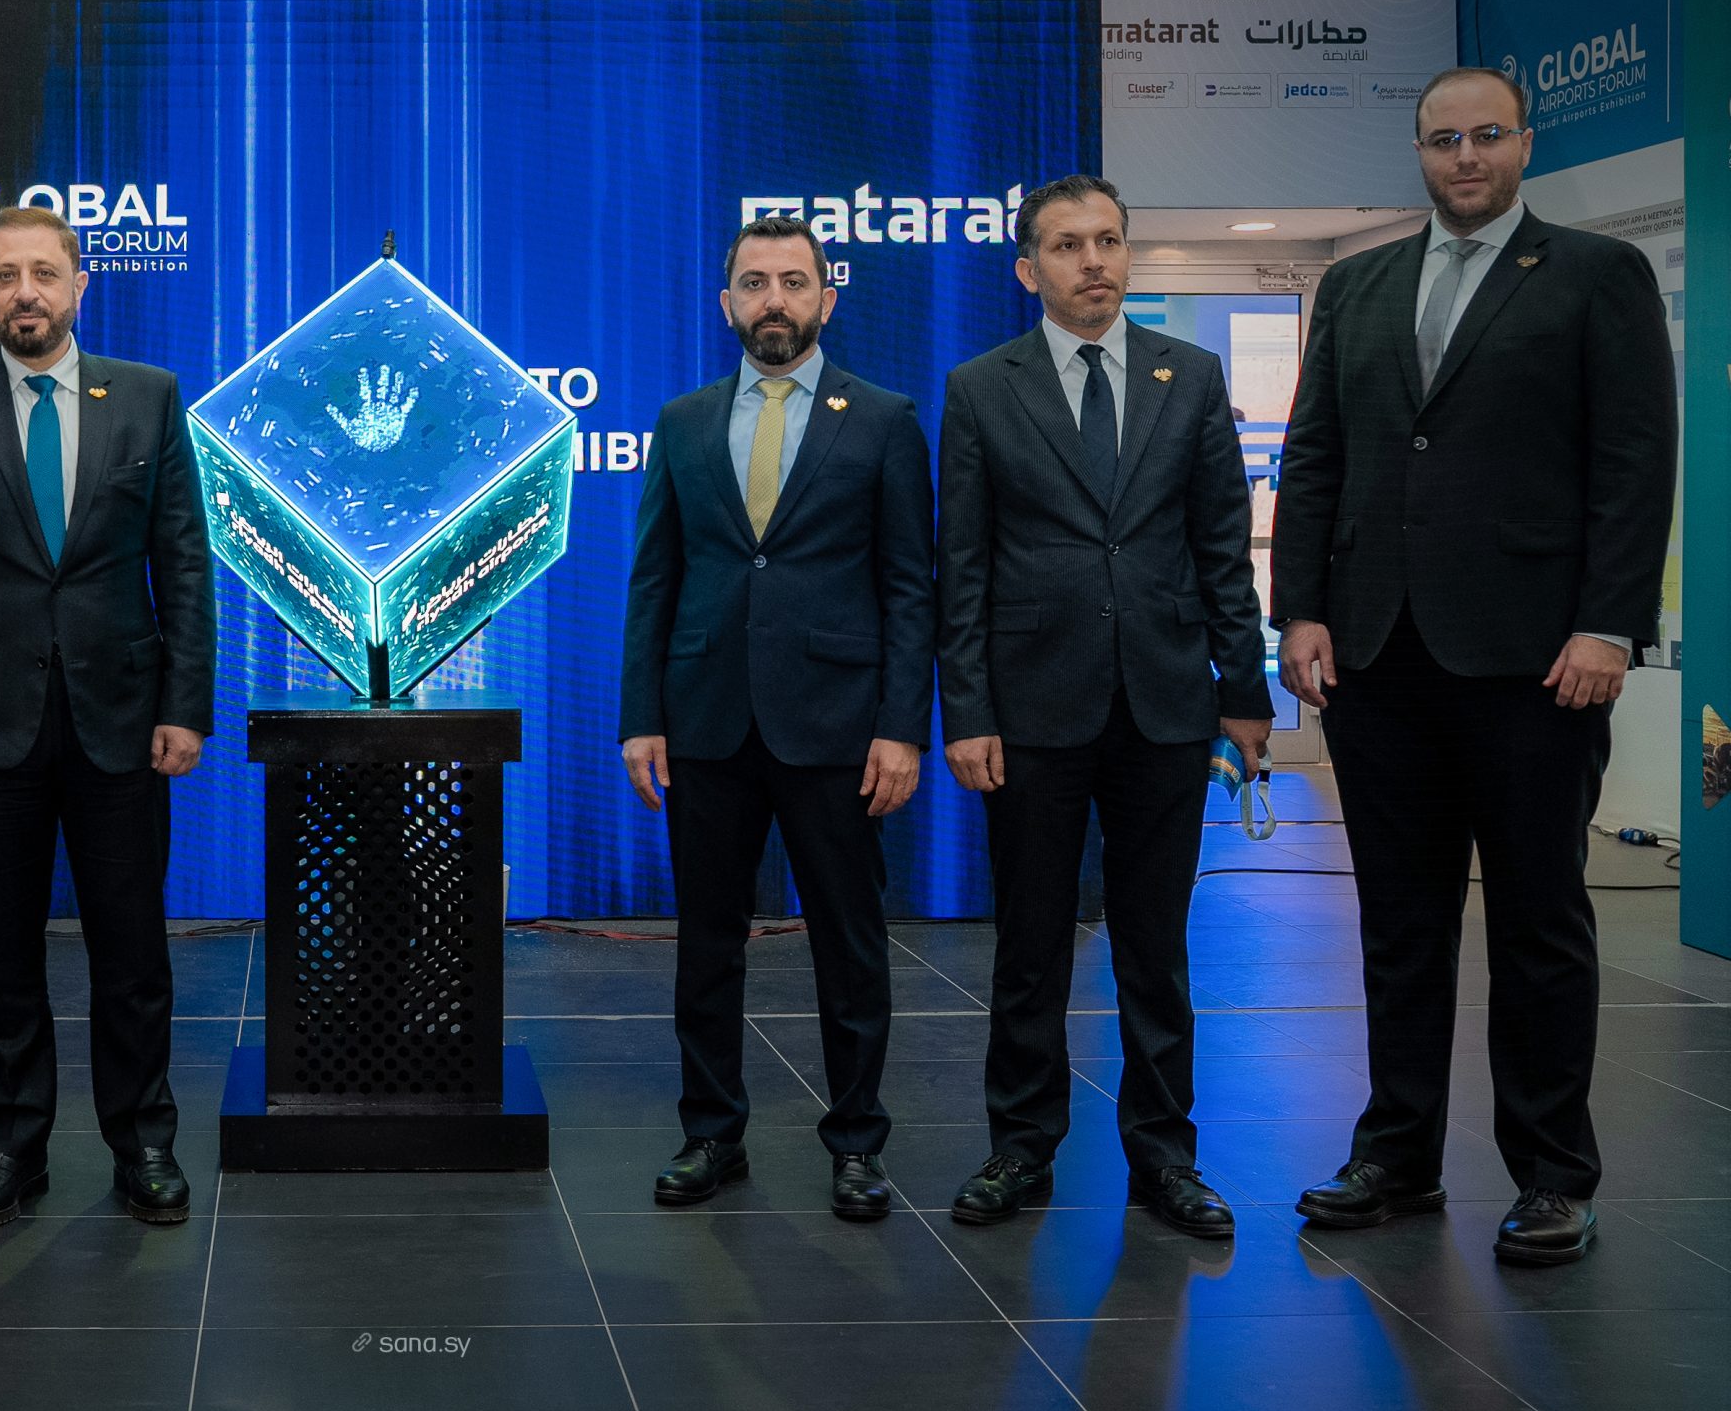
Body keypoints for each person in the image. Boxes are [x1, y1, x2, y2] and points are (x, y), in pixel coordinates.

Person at [1273, 67, 1677, 1266]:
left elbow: (1633, 462)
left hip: (1534, 661)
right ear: (1417, 150)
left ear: (1523, 144)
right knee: (1399, 924)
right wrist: (1299, 611)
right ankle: (1396, 1155)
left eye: (1485, 135)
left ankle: (1552, 1174)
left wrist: (1608, 626)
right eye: (1443, 139)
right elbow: (1315, 455)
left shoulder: (1596, 275)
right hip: (1377, 657)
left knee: (1538, 923)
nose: (1464, 157)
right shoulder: (1356, 285)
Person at [934, 174, 1270, 1240]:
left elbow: (1221, 547)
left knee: (1155, 946)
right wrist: (966, 710)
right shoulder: (981, 387)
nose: (1095, 262)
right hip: (1030, 708)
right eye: (1069, 245)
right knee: (1031, 944)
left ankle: (1166, 1158)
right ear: (1028, 268)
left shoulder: (1190, 375)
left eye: (1110, 241)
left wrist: (1244, 693)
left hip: (1165, 704)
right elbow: (963, 567)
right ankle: (1020, 1147)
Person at [0, 206, 214, 1228]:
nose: (25, 292)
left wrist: (186, 705)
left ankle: (144, 1142)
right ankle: (9, 1149)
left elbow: (183, 564)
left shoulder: (148, 396)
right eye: (4, 276)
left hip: (122, 718)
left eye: (44, 274)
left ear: (78, 285)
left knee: (132, 952)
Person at [618, 215, 932, 1222]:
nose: (775, 300)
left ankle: (857, 1143)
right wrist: (641, 717)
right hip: (706, 721)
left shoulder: (882, 419)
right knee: (707, 943)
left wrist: (901, 726)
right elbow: (655, 579)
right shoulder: (682, 421)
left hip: (837, 727)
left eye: (794, 281)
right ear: (727, 304)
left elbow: (908, 586)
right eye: (755, 283)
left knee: (850, 944)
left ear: (826, 298)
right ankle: (711, 1133)